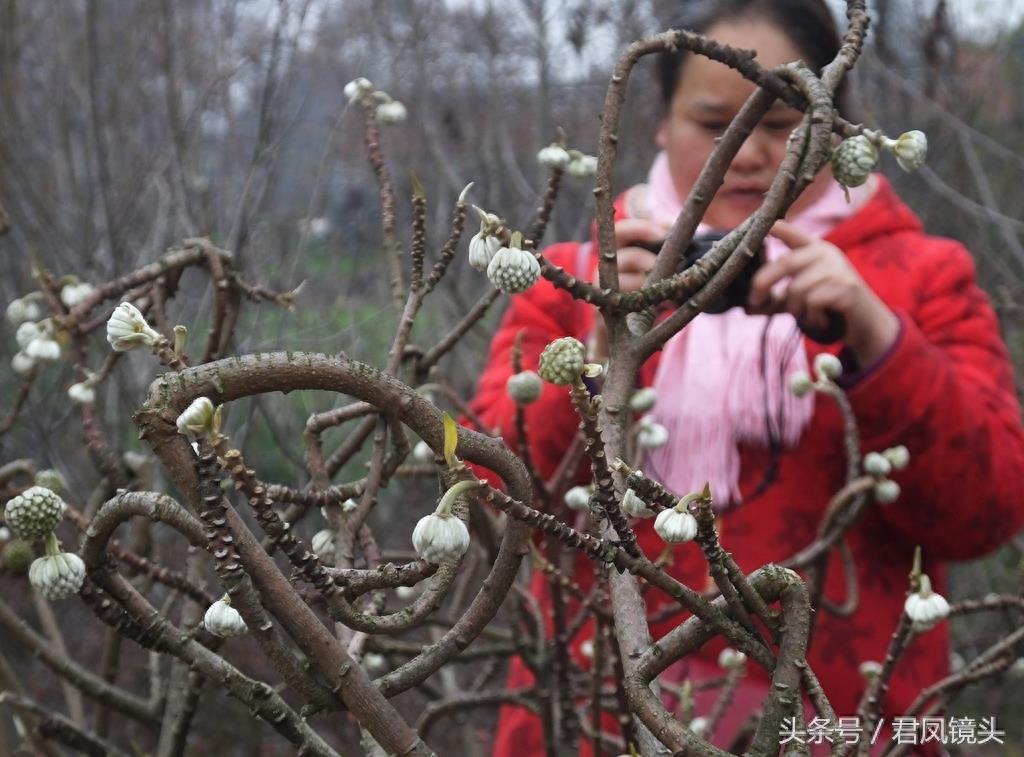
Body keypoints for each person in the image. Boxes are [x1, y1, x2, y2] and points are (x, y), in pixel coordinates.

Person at [468, 1, 1024, 754]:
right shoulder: (576, 280)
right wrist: (604, 349)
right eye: (714, 121)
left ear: (835, 123)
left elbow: (989, 508)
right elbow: (487, 494)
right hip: (593, 717)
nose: (748, 152)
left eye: (780, 122)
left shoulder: (918, 277)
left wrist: (876, 337)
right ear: (662, 122)